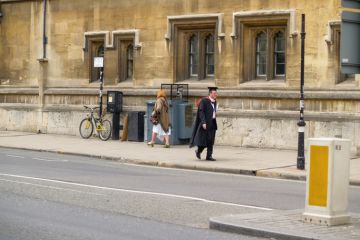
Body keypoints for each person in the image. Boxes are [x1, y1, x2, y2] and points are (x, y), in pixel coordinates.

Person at [190, 87, 218, 161]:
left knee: (211, 140)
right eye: (214, 93)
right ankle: (198, 151)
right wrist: (203, 122)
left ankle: (209, 156)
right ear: (210, 93)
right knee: (204, 141)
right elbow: (201, 112)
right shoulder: (204, 101)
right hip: (206, 123)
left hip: (212, 123)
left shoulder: (215, 101)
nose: (216, 95)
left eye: (216, 93)